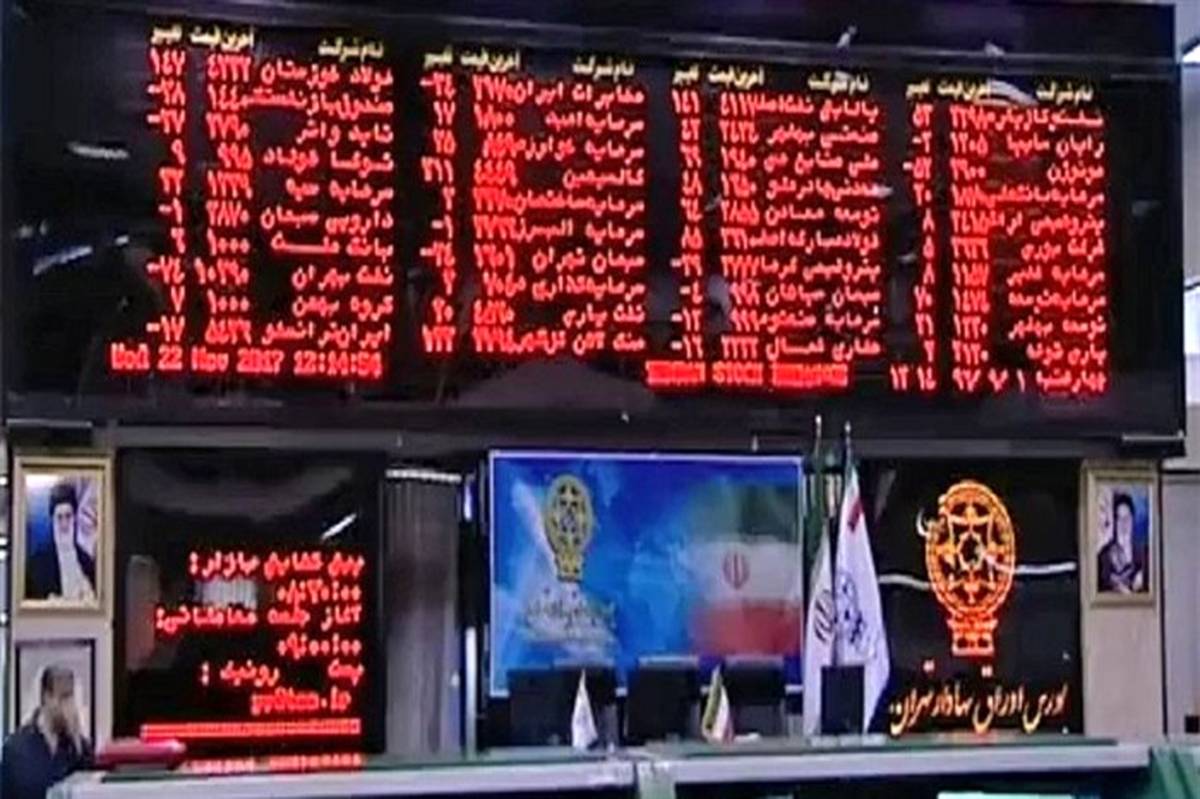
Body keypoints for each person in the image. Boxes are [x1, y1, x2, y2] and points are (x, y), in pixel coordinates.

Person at [1, 664, 92, 799]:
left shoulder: (79, 750)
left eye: (72, 698)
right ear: (47, 697)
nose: (69, 707)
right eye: (64, 698)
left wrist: (77, 741)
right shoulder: (16, 750)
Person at [25, 481, 96, 602]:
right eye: (59, 517)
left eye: (68, 516)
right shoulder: (37, 564)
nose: (64, 524)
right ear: (52, 520)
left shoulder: (87, 562)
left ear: (75, 518)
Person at [1098, 492, 1147, 593]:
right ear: (1115, 522)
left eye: (1127, 518)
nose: (1124, 524)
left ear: (1133, 519)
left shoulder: (1144, 553)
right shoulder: (1104, 556)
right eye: (1120, 519)